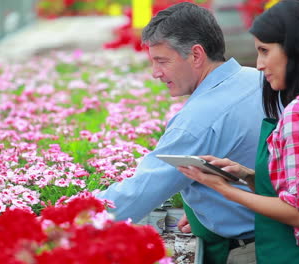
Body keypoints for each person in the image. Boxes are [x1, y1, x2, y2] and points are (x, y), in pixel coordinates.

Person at [96, 2, 265, 263]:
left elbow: (140, 191)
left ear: (196, 55)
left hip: (249, 249)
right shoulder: (258, 79)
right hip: (281, 235)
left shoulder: (198, 120)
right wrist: (205, 210)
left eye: (162, 61)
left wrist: (63, 220)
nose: (155, 73)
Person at [178, 0, 299, 263]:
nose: (259, 64)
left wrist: (223, 189)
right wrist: (244, 175)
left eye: (265, 51)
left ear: (294, 49)